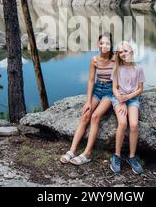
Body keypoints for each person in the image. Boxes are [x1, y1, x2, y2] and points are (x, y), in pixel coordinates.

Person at [60, 33, 115, 165]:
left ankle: (87, 153)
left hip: (110, 91)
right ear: (98, 45)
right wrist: (88, 101)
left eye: (107, 43)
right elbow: (91, 80)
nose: (104, 46)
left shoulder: (115, 59)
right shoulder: (94, 60)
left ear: (111, 45)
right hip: (97, 89)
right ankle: (72, 150)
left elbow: (127, 70)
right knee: (85, 116)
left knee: (95, 117)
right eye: (102, 43)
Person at [109, 41, 145, 175]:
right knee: (123, 123)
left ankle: (132, 157)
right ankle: (116, 156)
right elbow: (114, 88)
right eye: (120, 52)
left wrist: (128, 97)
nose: (123, 53)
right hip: (118, 99)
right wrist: (121, 99)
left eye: (125, 50)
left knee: (134, 125)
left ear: (132, 52)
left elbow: (140, 89)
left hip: (132, 99)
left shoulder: (139, 69)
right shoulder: (117, 69)